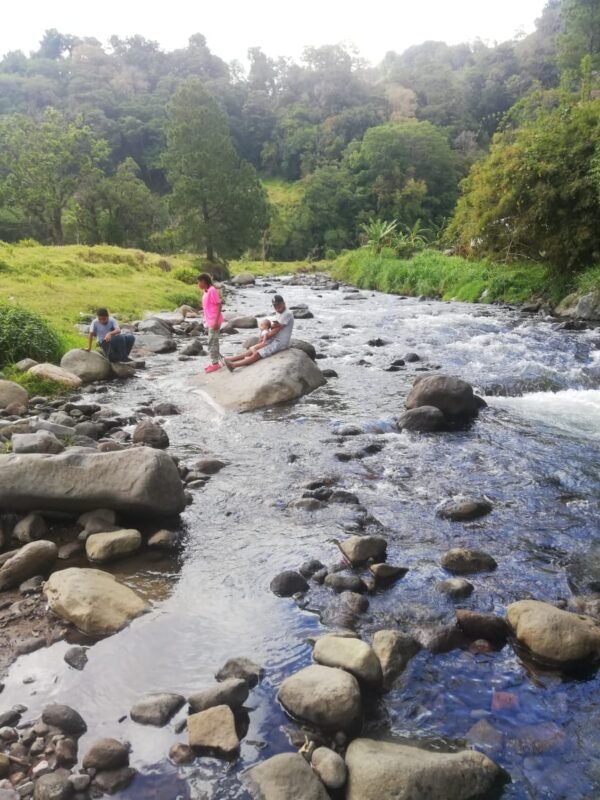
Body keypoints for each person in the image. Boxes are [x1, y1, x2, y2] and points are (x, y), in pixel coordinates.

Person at [224, 295, 294, 371]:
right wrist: (266, 334)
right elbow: (274, 326)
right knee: (253, 349)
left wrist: (264, 337)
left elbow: (276, 330)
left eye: (279, 304)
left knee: (258, 354)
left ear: (284, 303)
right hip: (275, 339)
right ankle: (231, 359)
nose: (277, 307)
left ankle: (234, 365)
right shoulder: (279, 312)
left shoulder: (287, 314)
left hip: (280, 343)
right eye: (275, 305)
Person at [198, 273, 224, 373]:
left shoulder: (212, 290)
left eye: (199, 282)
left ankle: (215, 364)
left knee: (212, 342)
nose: (198, 284)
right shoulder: (206, 291)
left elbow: (219, 305)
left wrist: (216, 321)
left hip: (214, 321)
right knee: (213, 341)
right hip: (209, 321)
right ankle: (216, 362)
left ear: (204, 281)